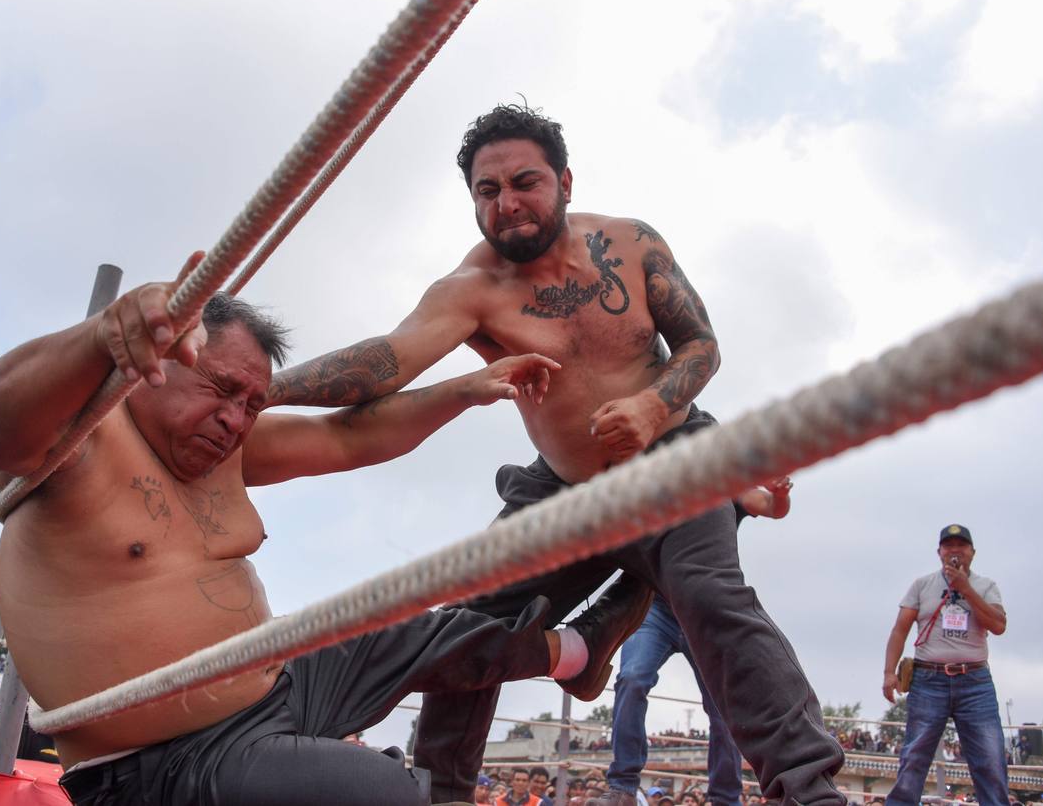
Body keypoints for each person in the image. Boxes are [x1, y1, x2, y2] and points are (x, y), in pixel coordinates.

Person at [266, 104, 845, 804]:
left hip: (673, 460)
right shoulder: (471, 291)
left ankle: (808, 790)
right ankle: (438, 790)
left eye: (524, 182)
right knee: (473, 620)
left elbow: (702, 345)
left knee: (710, 596)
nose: (506, 203)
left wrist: (652, 405)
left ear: (565, 181)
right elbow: (388, 361)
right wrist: (260, 388)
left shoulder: (631, 246)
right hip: (564, 488)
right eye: (487, 191)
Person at [0, 283, 650, 806]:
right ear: (159, 363)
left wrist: (465, 390)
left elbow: (350, 437)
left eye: (252, 404)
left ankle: (577, 656)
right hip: (168, 761)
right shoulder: (79, 441)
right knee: (381, 791)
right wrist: (99, 337)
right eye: (222, 390)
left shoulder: (229, 445)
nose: (234, 420)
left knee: (415, 633)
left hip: (276, 676)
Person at [608, 479, 792, 806]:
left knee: (723, 706)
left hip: (706, 610)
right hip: (655, 607)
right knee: (632, 678)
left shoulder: (722, 486)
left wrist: (779, 493)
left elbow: (771, 508)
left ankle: (724, 797)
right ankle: (622, 787)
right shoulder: (655, 485)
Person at [881, 524, 1009, 806]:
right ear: (939, 552)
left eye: (961, 546)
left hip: (974, 680)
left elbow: (998, 625)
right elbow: (900, 629)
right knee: (914, 754)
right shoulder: (922, 585)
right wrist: (889, 672)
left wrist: (966, 588)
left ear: (972, 552)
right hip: (929, 678)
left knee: (990, 757)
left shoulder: (986, 586)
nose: (954, 551)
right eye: (948, 546)